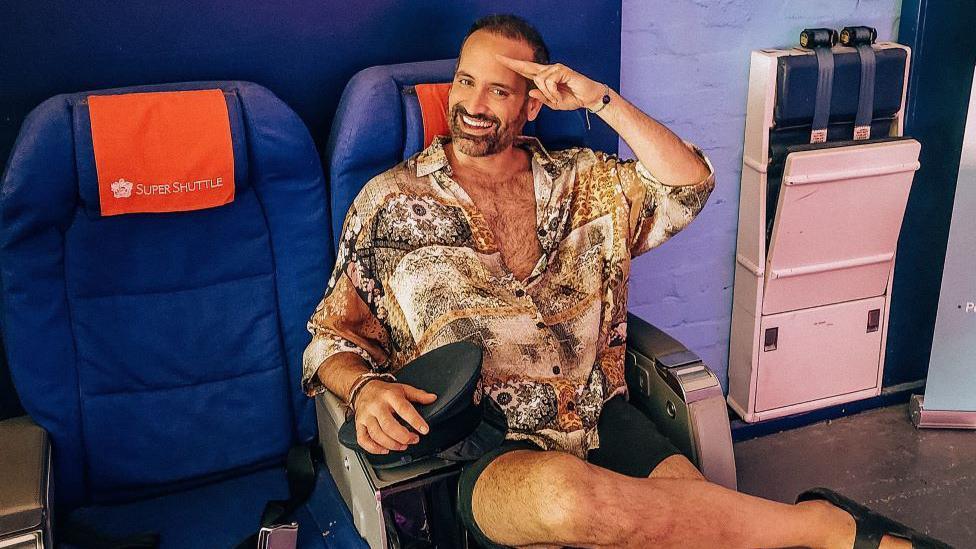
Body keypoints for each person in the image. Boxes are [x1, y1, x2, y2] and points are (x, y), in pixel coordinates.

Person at [303, 14, 941, 549]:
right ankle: (822, 527)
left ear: (532, 102)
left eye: (500, 90)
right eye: (466, 81)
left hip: (601, 414)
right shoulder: (389, 203)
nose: (471, 104)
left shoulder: (586, 182)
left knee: (693, 517)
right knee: (573, 500)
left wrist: (598, 98)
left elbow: (688, 183)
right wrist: (362, 389)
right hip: (483, 444)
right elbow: (330, 337)